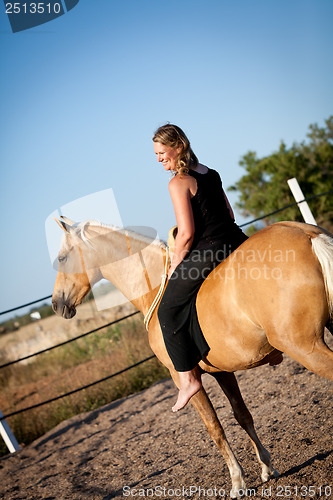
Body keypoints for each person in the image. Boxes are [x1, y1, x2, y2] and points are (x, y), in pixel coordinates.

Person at [153, 124, 248, 412]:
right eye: (155, 154)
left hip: (210, 249)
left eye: (161, 152)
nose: (158, 159)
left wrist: (175, 265)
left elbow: (186, 234)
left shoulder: (178, 182)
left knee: (167, 309)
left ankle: (188, 380)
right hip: (236, 240)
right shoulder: (211, 172)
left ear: (178, 146)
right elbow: (230, 214)